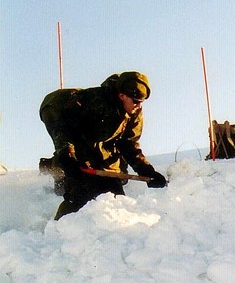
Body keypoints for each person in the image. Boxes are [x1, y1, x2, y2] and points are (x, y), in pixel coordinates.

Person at [39, 71, 167, 219]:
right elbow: (66, 130)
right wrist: (67, 155)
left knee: (113, 187)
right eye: (136, 101)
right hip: (57, 108)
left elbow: (128, 144)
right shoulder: (94, 101)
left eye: (141, 102)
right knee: (82, 180)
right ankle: (59, 224)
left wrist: (147, 171)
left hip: (95, 131)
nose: (139, 106)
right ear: (122, 96)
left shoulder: (134, 112)